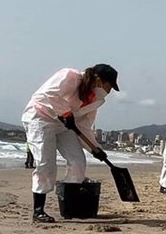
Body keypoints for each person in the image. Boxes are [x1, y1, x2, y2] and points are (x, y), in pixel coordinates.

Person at [20, 64, 119, 223]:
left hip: (64, 125)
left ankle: (70, 203)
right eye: (110, 86)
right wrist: (65, 112)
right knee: (46, 163)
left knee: (78, 161)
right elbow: (50, 94)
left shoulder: (97, 101)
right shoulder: (70, 76)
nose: (109, 91)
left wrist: (95, 148)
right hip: (40, 118)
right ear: (99, 80)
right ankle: (38, 210)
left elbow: (84, 127)